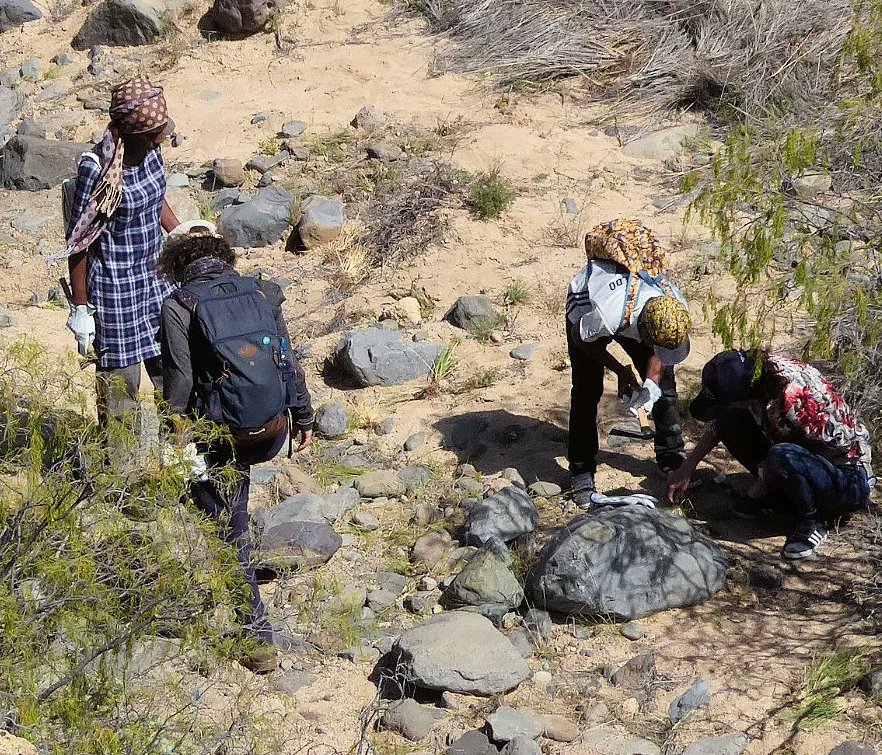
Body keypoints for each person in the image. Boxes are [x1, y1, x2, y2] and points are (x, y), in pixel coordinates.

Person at [158, 230, 315, 672]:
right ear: (225, 259)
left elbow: (180, 385)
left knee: (226, 524)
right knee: (230, 507)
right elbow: (287, 361)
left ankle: (256, 637)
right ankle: (238, 553)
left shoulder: (179, 306)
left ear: (177, 266)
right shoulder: (262, 292)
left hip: (220, 434)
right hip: (271, 430)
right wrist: (303, 417)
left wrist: (171, 436)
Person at [668, 350, 875, 560]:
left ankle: (812, 520)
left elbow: (800, 457)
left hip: (848, 478)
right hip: (803, 457)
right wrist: (688, 466)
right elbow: (719, 424)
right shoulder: (758, 375)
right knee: (729, 419)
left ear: (745, 394)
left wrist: (759, 487)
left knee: (781, 456)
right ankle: (781, 500)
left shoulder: (792, 399)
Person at [63, 77, 180, 436]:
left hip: (157, 280)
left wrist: (179, 232)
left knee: (174, 377)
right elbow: (79, 240)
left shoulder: (151, 153)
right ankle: (121, 477)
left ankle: (178, 461)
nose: (162, 139)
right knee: (121, 392)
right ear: (132, 133)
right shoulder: (97, 170)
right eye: (155, 134)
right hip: (115, 291)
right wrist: (81, 308)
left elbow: (155, 196)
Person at [566, 219, 692, 506]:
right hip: (585, 307)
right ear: (643, 334)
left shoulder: (674, 308)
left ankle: (671, 456)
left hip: (635, 309)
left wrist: (650, 387)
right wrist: (621, 371)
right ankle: (581, 468)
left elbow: (660, 355)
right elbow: (582, 339)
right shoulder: (610, 314)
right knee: (587, 391)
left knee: (664, 388)